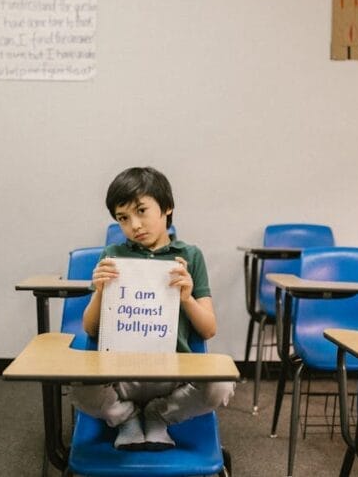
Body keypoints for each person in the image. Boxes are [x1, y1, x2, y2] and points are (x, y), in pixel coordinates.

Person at [71, 166, 235, 451]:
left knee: (220, 386)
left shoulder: (189, 256)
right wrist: (99, 292)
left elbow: (208, 329)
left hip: (172, 373)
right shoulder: (113, 255)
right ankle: (126, 418)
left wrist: (187, 298)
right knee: (79, 388)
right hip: (121, 372)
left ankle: (159, 415)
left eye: (141, 211)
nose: (134, 225)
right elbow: (90, 328)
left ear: (167, 208)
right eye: (123, 218)